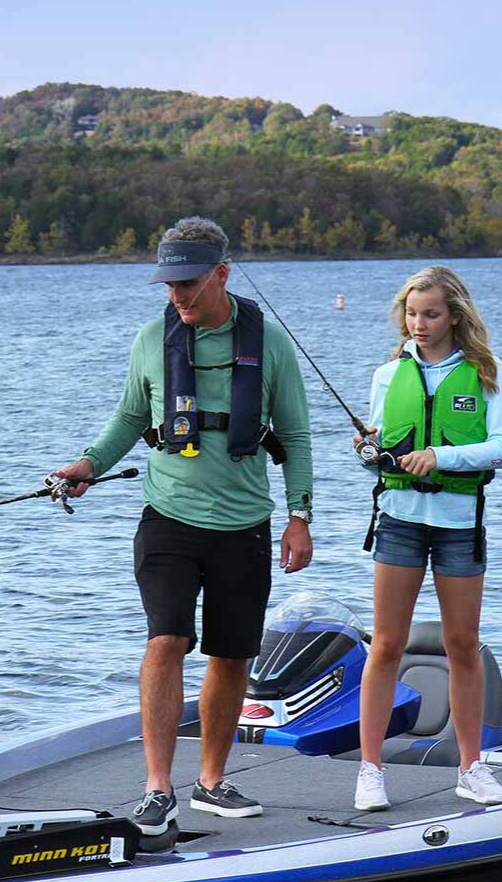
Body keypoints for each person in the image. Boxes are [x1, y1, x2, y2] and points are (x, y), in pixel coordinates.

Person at [51, 216, 314, 839]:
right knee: (167, 640)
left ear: (221, 274)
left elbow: (298, 438)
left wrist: (299, 516)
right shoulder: (151, 338)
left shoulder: (271, 345)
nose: (177, 294)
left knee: (231, 655)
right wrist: (89, 463)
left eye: (189, 282)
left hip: (245, 525)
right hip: (167, 518)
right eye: (168, 283)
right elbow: (127, 417)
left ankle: (212, 781)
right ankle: (156, 789)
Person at [352, 265, 502, 812]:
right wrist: (368, 451)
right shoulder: (385, 375)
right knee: (387, 645)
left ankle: (473, 768)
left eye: (430, 314)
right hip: (399, 519)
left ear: (454, 317)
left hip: (459, 525)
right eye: (411, 313)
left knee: (462, 645)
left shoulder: (486, 373)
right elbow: (379, 447)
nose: (418, 324)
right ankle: (370, 770)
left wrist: (441, 457)